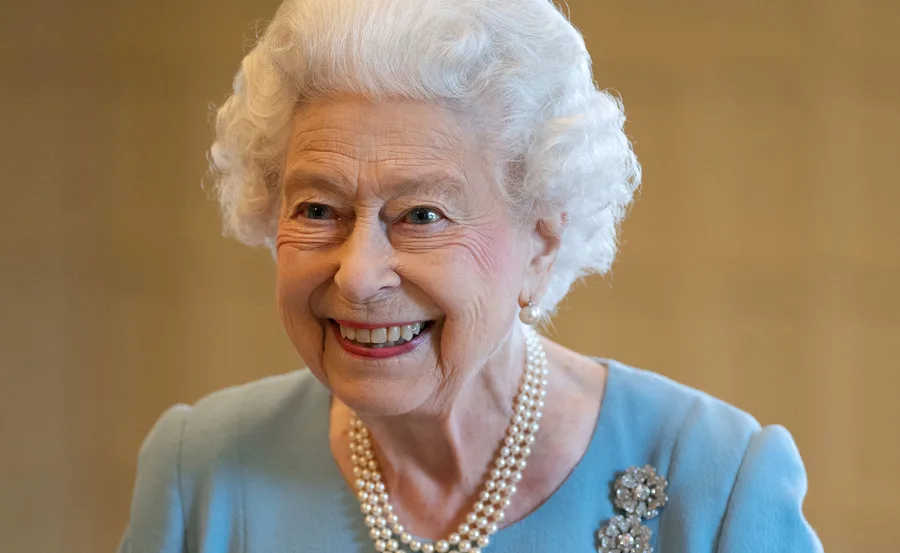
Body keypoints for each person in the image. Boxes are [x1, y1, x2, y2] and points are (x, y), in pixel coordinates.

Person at [118, 1, 823, 551]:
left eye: (422, 214)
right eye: (317, 208)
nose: (359, 274)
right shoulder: (200, 472)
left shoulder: (719, 480)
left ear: (541, 242)